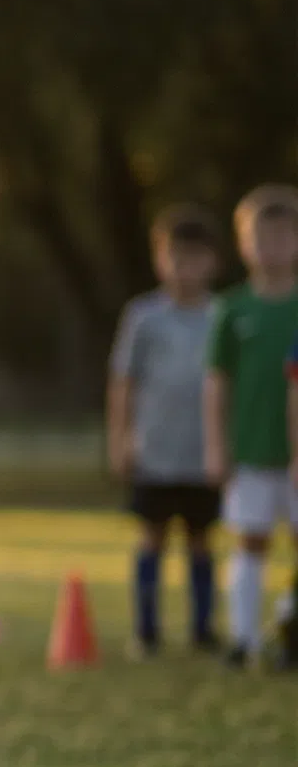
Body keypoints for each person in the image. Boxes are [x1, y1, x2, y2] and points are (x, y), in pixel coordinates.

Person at [106, 206, 224, 654]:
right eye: (175, 257)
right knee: (151, 535)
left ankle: (202, 628)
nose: (184, 268)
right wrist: (120, 438)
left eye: (194, 258)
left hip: (203, 451)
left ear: (212, 261)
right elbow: (123, 381)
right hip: (155, 449)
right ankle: (147, 629)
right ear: (159, 259)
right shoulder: (143, 317)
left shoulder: (221, 315)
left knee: (201, 538)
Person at [204, 183, 298, 667]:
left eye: (284, 236)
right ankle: (244, 639)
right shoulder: (232, 309)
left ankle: (290, 630)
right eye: (261, 237)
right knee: (250, 539)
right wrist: (217, 446)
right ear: (243, 243)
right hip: (251, 449)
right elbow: (216, 383)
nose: (272, 247)